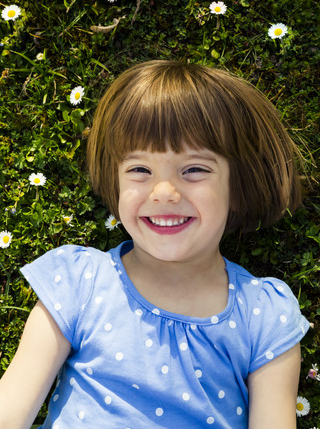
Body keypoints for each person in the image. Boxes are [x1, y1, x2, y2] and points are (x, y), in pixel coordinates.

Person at [0, 60, 309, 429]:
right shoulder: (78, 283)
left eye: (194, 169)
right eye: (140, 171)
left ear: (238, 189)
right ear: (116, 185)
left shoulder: (263, 315)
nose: (164, 193)